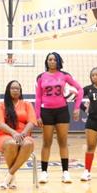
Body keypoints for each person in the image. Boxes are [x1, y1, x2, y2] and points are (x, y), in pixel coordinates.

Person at [35, 52, 83, 184]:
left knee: (63, 142)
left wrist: (77, 107)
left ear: (58, 61)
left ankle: (65, 172)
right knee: (47, 142)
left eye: (54, 59)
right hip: (46, 112)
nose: (51, 62)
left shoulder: (64, 75)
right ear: (46, 61)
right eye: (49, 59)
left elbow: (80, 90)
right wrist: (37, 115)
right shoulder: (41, 77)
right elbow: (38, 97)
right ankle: (44, 172)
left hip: (61, 111)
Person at [0, 80, 37, 189]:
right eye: (12, 88)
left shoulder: (27, 104)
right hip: (4, 136)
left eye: (17, 88)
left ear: (20, 91)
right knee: (11, 144)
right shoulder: (1, 105)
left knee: (28, 144)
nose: (15, 90)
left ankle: (9, 176)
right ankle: (12, 179)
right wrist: (13, 133)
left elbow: (32, 122)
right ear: (8, 90)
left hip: (23, 134)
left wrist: (23, 133)